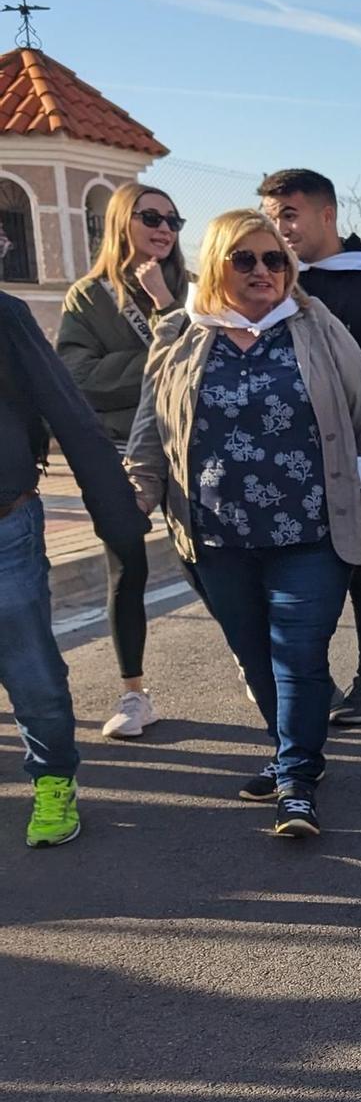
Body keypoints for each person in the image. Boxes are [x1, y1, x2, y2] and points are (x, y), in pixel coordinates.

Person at [128, 210, 361, 839]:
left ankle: (297, 780)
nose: (263, 272)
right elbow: (149, 433)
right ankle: (290, 750)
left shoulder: (316, 326)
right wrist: (134, 502)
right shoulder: (179, 333)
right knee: (255, 657)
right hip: (215, 535)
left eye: (275, 259)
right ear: (218, 264)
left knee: (299, 657)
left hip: (311, 529)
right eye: (245, 260)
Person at [259, 168, 361, 727]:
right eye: (273, 216)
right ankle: (312, 682)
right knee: (300, 579)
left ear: (327, 215)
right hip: (287, 466)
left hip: (356, 461)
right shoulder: (273, 278)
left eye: (290, 214)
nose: (281, 228)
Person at [2, 285, 151, 847]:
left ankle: (53, 779)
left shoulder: (5, 315)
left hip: (5, 526)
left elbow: (67, 409)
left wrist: (116, 515)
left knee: (30, 672)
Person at [56, 181, 187, 741]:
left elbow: (205, 361)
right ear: (120, 221)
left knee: (213, 567)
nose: (163, 228)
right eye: (151, 216)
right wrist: (157, 353)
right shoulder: (88, 297)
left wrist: (165, 308)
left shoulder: (191, 289)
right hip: (117, 453)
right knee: (127, 568)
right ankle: (134, 693)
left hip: (187, 447)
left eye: (173, 221)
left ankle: (251, 665)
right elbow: (80, 379)